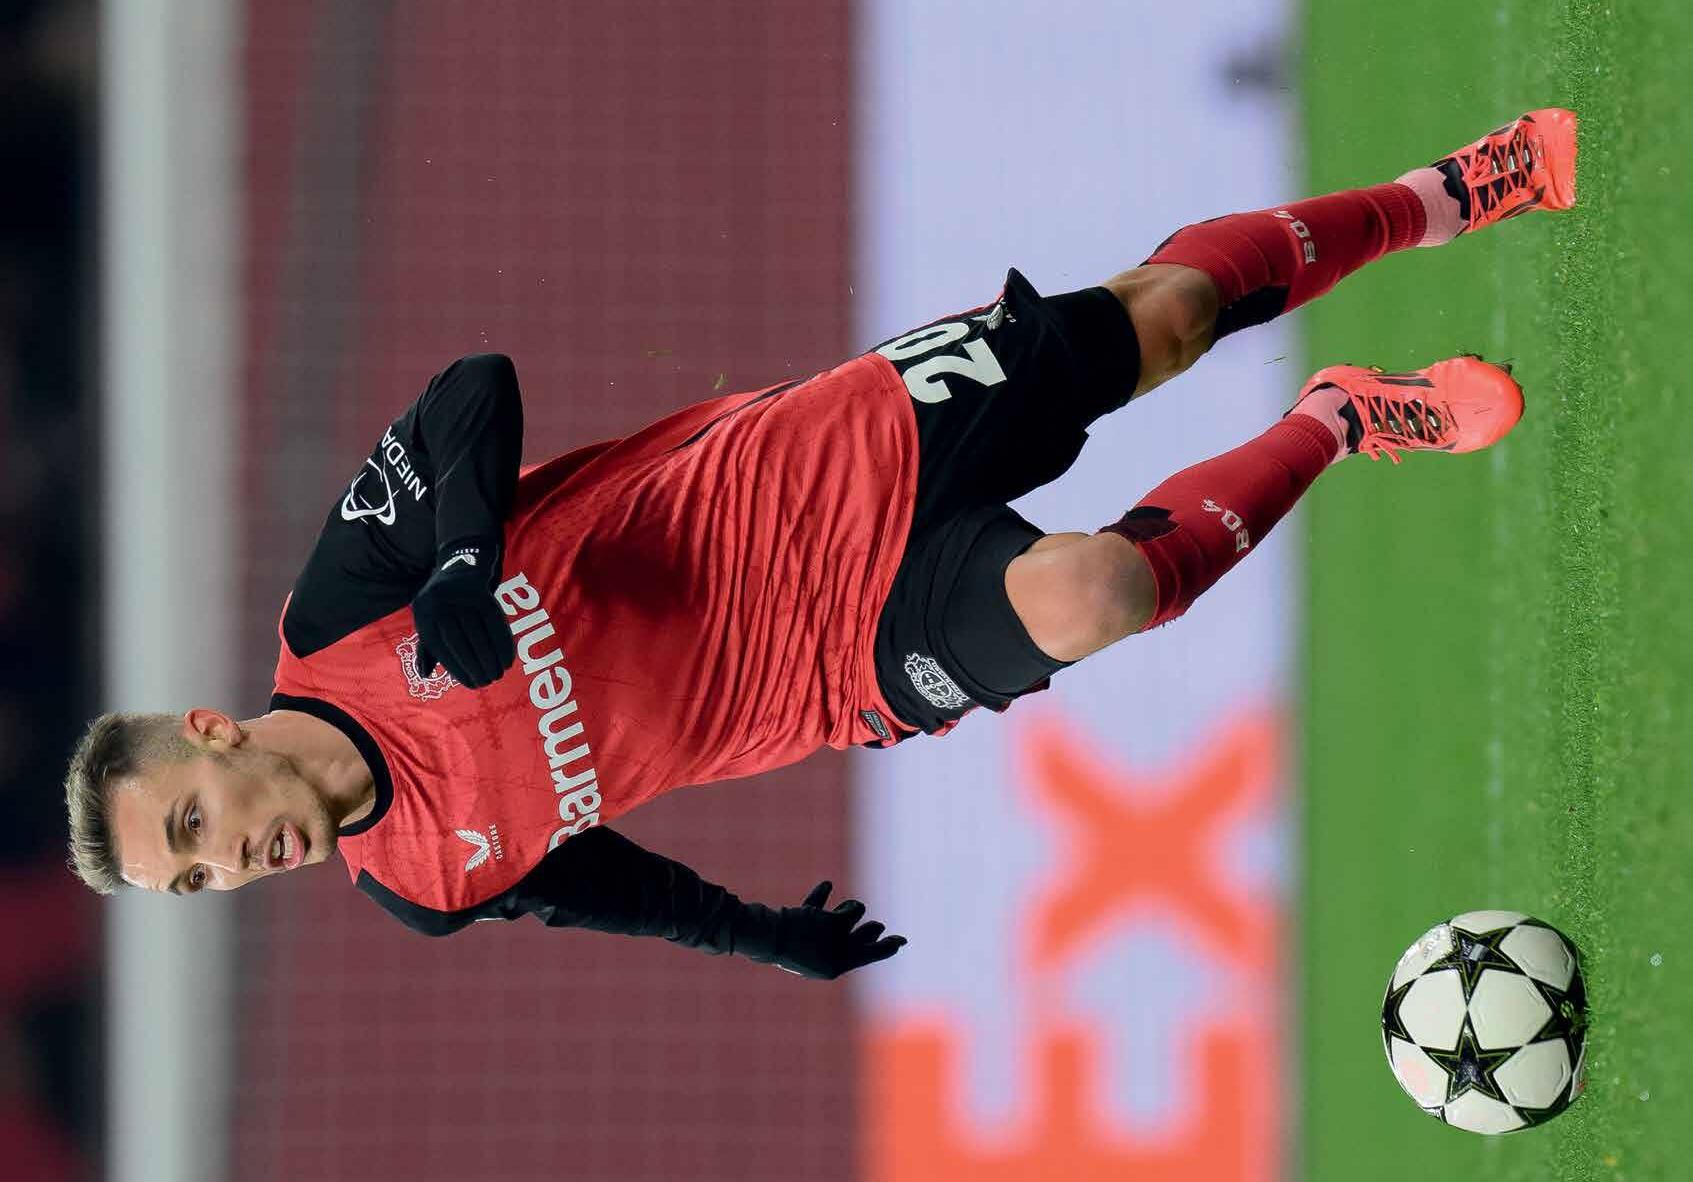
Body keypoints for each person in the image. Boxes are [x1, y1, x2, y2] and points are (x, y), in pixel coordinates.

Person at [65, 109, 1577, 979]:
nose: (227, 862)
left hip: (818, 463)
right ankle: (1339, 422)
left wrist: (463, 558)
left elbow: (470, 391)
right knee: (1094, 589)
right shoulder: (419, 885)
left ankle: (1443, 198)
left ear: (211, 732)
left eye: (189, 824)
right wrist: (754, 937)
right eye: (194, 882)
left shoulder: (339, 616)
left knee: (1167, 319)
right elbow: (585, 878)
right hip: (832, 668)